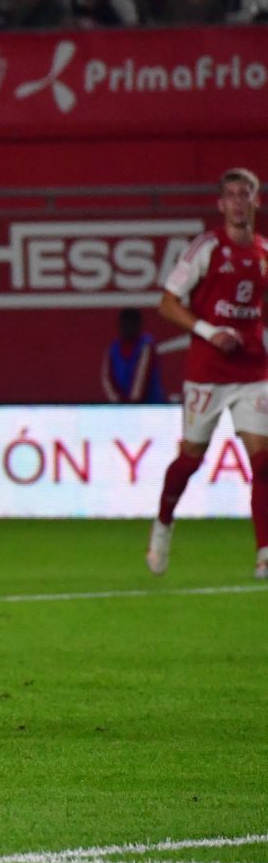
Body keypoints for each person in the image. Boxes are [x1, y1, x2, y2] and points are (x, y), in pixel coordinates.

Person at [148, 168, 268, 579]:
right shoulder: (206, 248)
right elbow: (167, 302)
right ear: (220, 204)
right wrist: (208, 331)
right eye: (231, 195)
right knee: (191, 459)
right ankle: (164, 522)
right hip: (207, 374)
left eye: (245, 194)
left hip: (253, 371)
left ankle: (264, 553)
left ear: (257, 201)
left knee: (264, 461)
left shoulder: (265, 252)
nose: (238, 201)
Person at [103, 308, 163, 404]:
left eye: (129, 325)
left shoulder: (146, 346)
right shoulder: (113, 348)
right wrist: (117, 402)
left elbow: (142, 377)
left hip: (149, 405)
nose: (126, 329)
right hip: (121, 406)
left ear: (138, 326)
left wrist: (132, 404)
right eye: (123, 325)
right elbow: (107, 378)